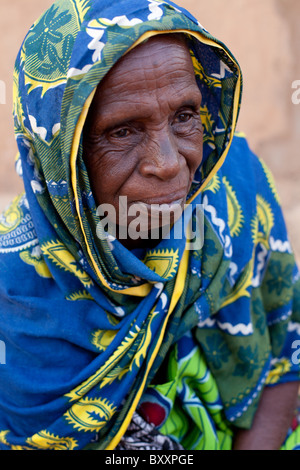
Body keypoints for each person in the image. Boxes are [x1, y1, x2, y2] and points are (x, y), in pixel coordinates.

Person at [0, 0, 299, 451]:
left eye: (184, 116)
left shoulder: (235, 187)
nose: (169, 163)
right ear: (60, 152)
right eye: (122, 131)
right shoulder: (16, 287)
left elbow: (286, 348)